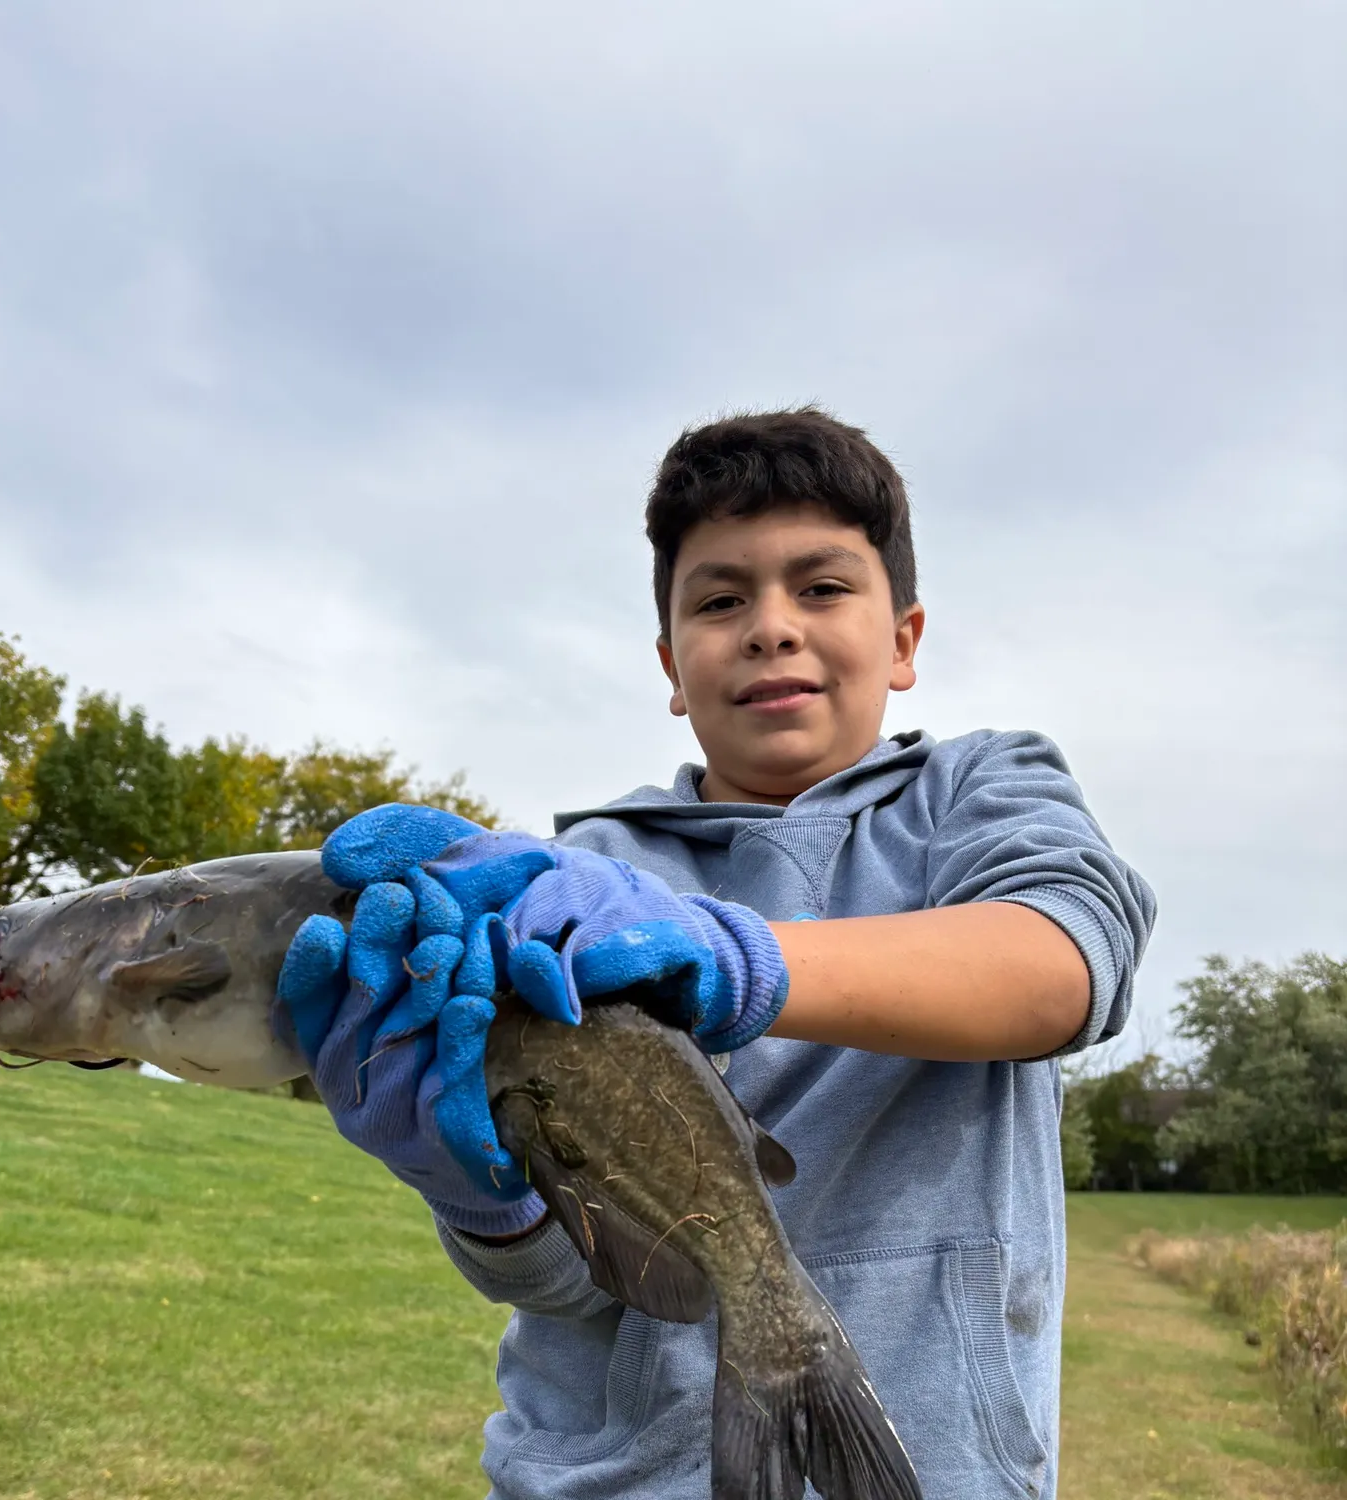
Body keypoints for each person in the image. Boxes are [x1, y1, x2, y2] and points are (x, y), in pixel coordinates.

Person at [277, 407, 1155, 1500]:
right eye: (721, 598)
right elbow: (578, 1282)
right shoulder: (567, 883)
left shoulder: (981, 790)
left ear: (905, 641)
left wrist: (739, 959)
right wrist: (476, 1193)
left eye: (822, 587)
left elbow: (1061, 966)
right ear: (670, 665)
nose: (770, 627)